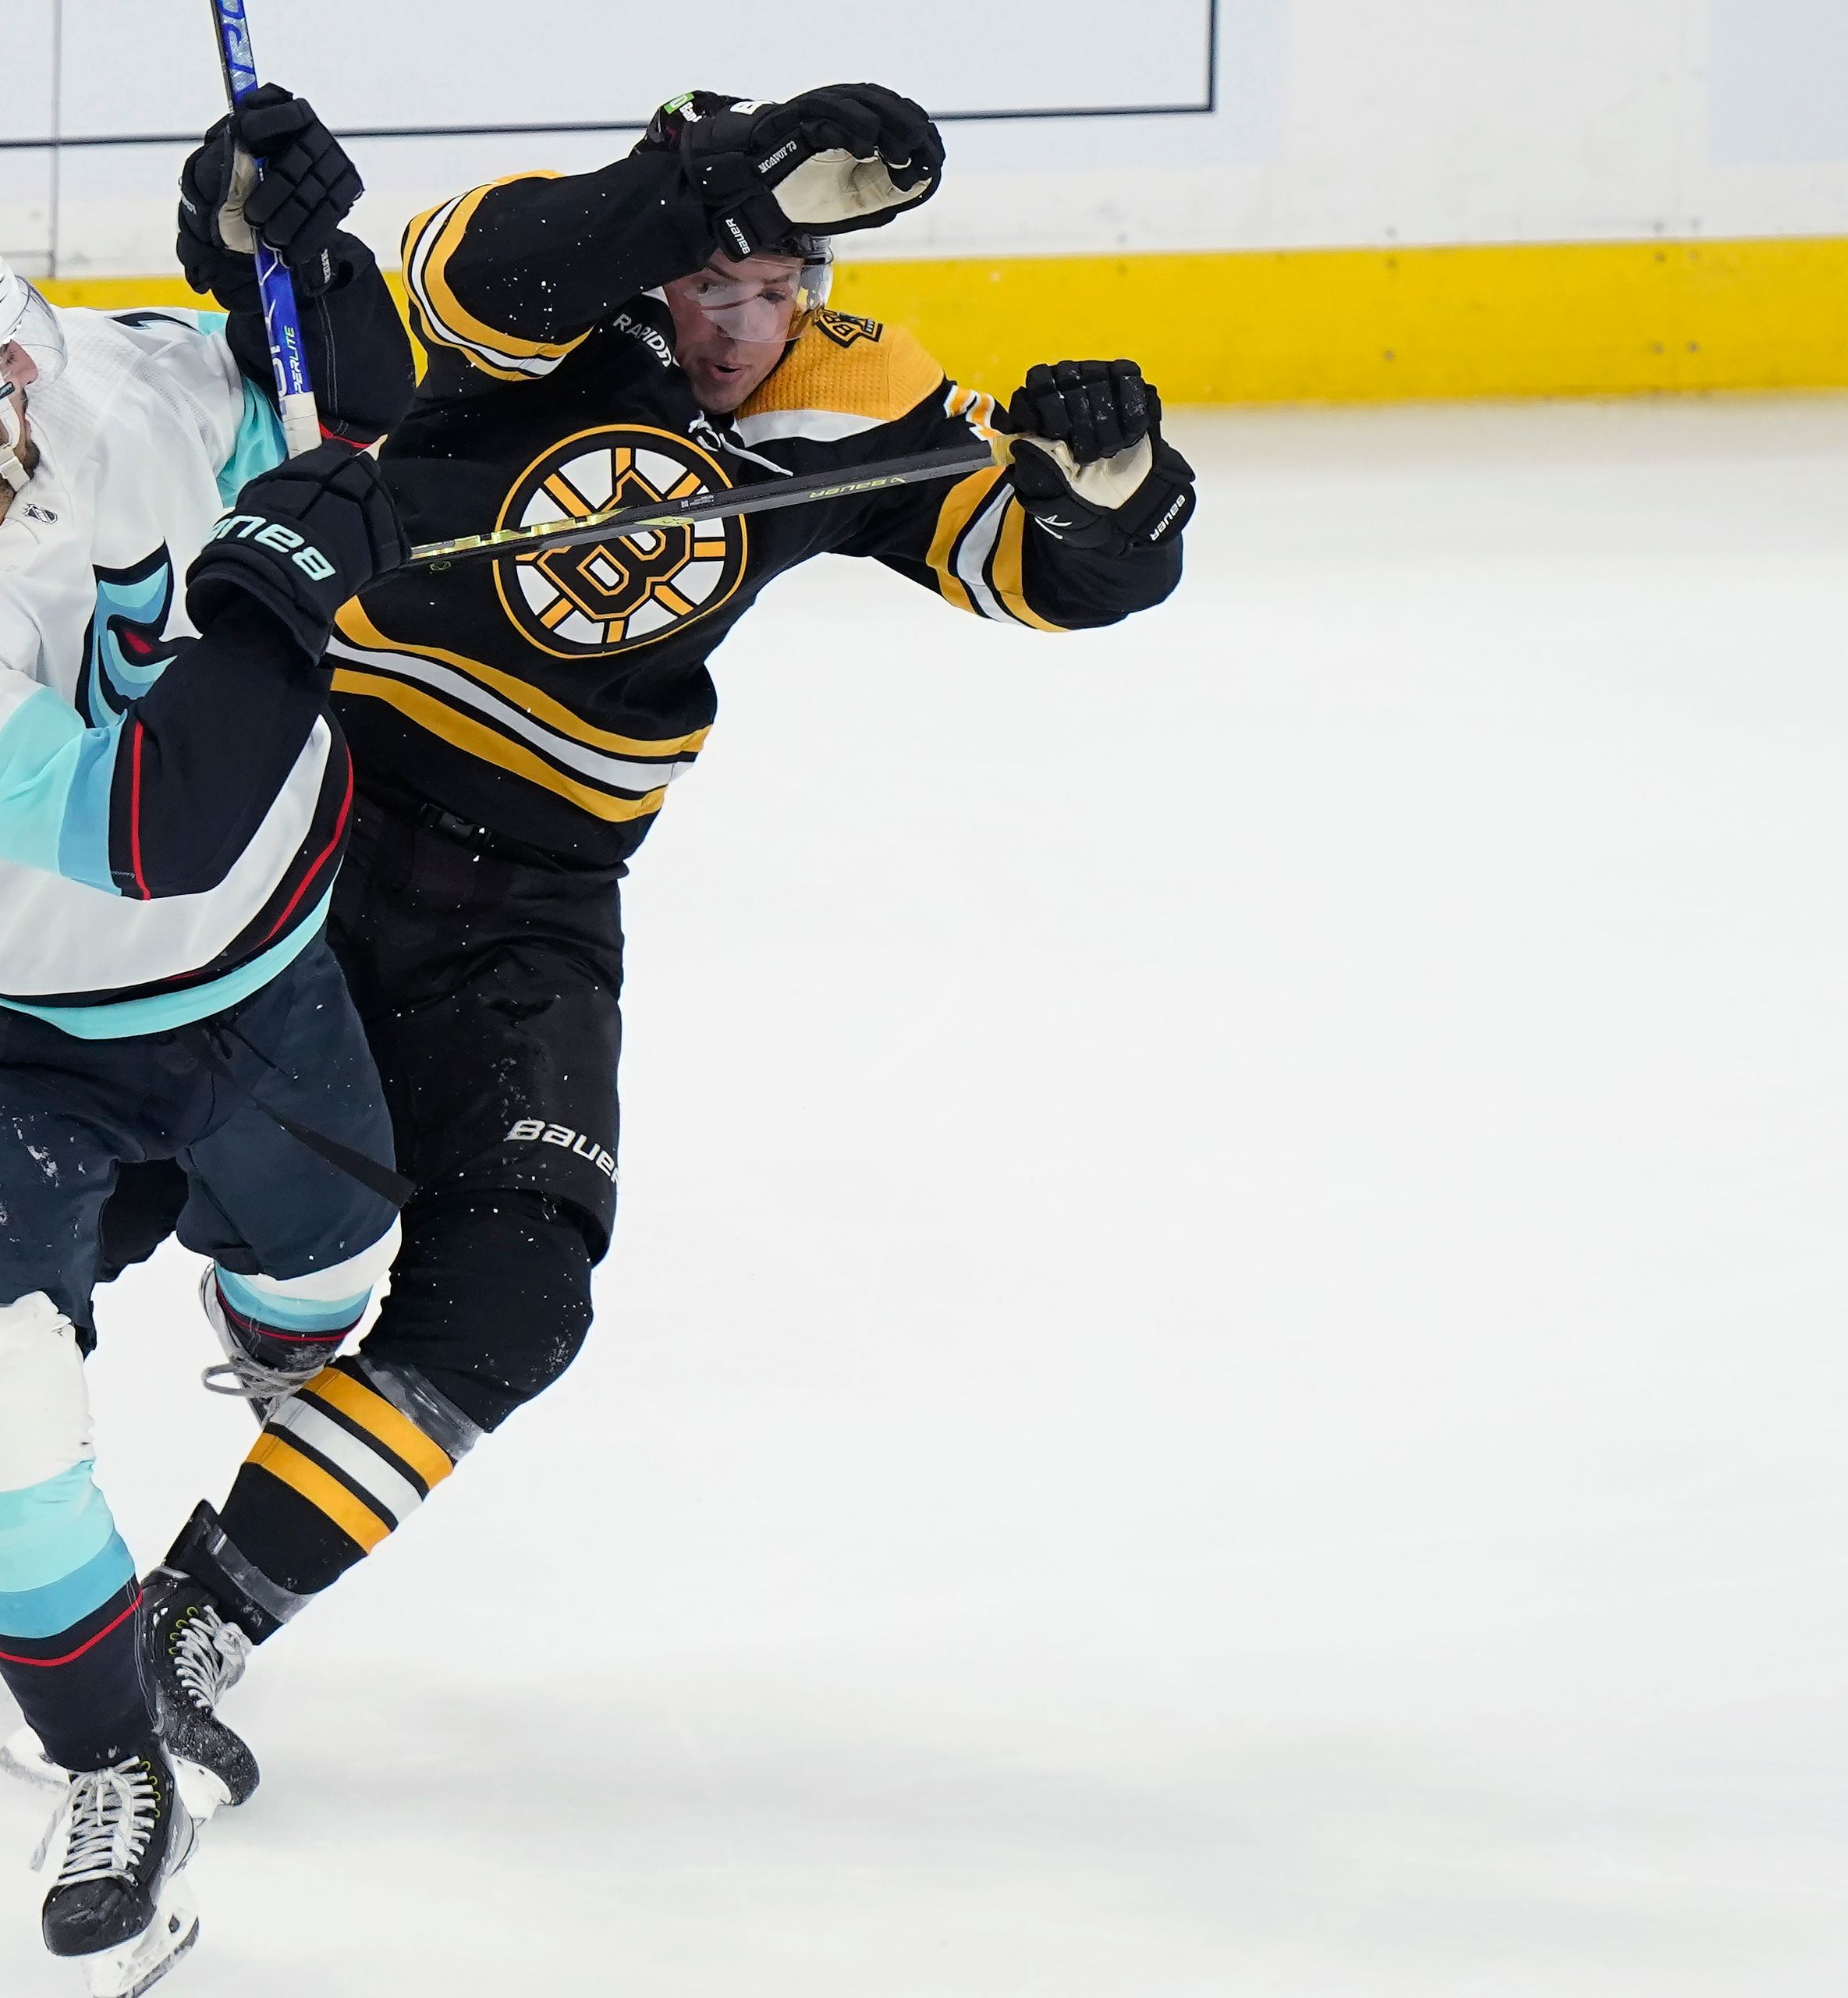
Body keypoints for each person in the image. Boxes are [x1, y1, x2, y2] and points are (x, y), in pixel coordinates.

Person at [126, 84, 1201, 1787]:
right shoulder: (540, 297)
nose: (745, 328)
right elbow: (470, 274)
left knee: (517, 1295)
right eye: (718, 283)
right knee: (113, 1141)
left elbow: (1042, 573)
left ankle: (190, 1622)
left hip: (539, 893)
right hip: (318, 806)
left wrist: (1109, 489)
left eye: (781, 286)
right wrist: (691, 191)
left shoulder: (856, 390)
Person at [0, 88, 415, 1994]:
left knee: (329, 1275)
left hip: (264, 981)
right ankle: (108, 1750)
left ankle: (1, 1319)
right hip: (9, 1032)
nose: (50, 360)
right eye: (4, 364)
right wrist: (279, 604)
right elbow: (153, 833)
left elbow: (335, 397)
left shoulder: (93, 393)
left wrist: (280, 244)